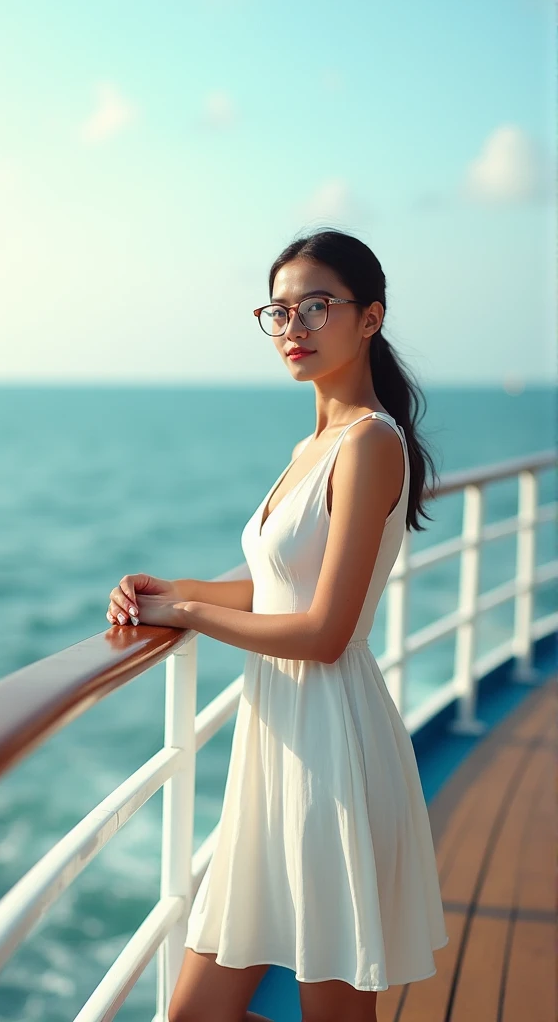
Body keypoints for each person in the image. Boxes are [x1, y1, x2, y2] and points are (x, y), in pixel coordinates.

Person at [106, 228, 449, 1022]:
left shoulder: (368, 445)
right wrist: (163, 590)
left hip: (329, 750)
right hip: (277, 747)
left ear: (370, 317)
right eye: (280, 311)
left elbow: (326, 631)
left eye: (317, 307)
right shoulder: (313, 445)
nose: (294, 327)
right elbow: (274, 587)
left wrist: (189, 613)